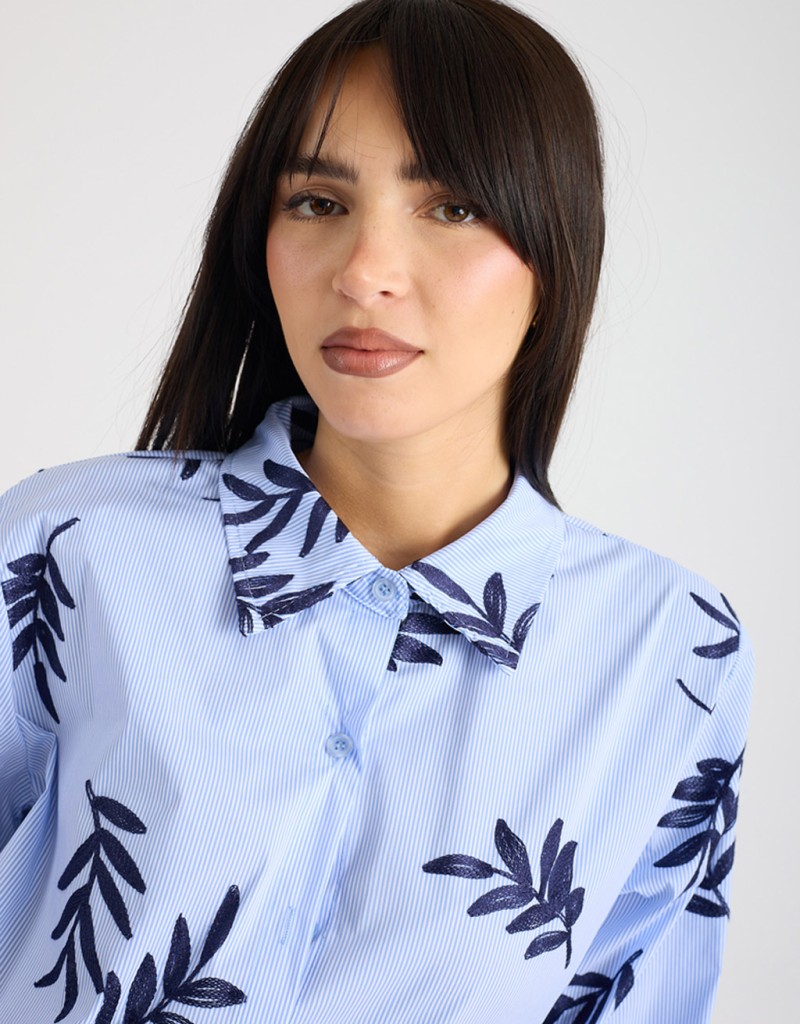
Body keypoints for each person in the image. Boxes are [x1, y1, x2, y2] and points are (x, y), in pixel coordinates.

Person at [0, 0, 752, 1021]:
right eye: (318, 201)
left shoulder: (668, 650)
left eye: (452, 208)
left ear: (552, 249)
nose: (364, 274)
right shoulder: (69, 550)